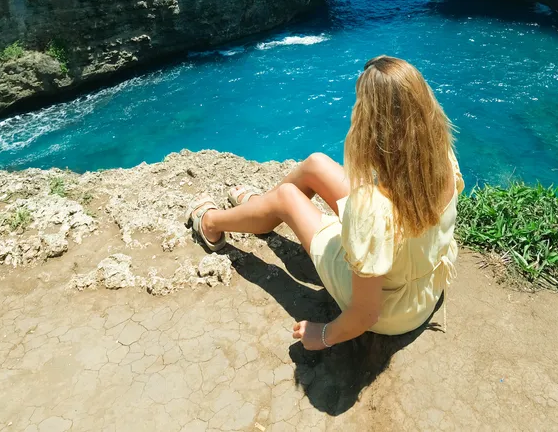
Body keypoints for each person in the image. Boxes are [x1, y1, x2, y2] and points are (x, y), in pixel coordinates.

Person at [186, 55, 463, 349]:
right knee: (315, 164)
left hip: (393, 310)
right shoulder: (440, 157)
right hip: (425, 284)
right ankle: (260, 210)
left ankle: (210, 223)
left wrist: (321, 335)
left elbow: (366, 314)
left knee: (287, 197)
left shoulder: (372, 209)